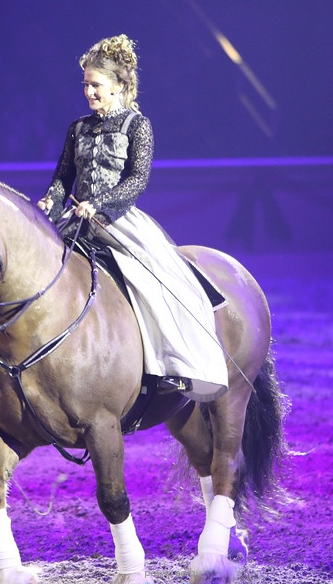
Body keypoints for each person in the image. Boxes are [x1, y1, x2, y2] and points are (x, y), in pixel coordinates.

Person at [36, 34, 229, 401]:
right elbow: (63, 178)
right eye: (86, 86)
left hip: (118, 220)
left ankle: (175, 366)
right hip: (75, 219)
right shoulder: (77, 128)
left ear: (119, 86)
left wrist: (101, 204)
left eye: (96, 86)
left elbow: (137, 180)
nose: (89, 93)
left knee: (156, 283)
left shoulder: (137, 126)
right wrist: (51, 200)